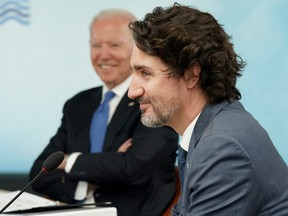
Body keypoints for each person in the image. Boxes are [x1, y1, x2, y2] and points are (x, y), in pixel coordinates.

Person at [128, 3, 288, 216]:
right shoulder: (212, 130)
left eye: (145, 73)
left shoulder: (221, 146)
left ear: (191, 74)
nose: (132, 91)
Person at [29, 9, 179, 216]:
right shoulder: (78, 104)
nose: (103, 54)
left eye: (114, 45)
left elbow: (132, 168)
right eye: (96, 45)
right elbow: (40, 171)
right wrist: (90, 183)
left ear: (137, 49)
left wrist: (68, 161)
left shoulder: (155, 100)